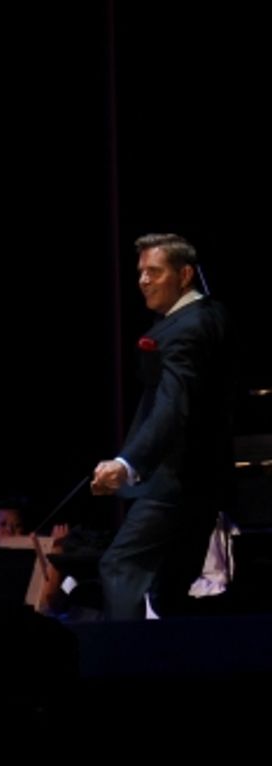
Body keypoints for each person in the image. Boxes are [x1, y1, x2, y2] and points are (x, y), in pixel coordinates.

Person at [91, 234, 236, 620]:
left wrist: (126, 463)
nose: (142, 281)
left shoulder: (185, 328)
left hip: (175, 482)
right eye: (140, 273)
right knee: (169, 591)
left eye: (153, 272)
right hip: (205, 484)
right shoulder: (211, 314)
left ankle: (125, 665)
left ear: (185, 274)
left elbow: (173, 406)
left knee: (120, 567)